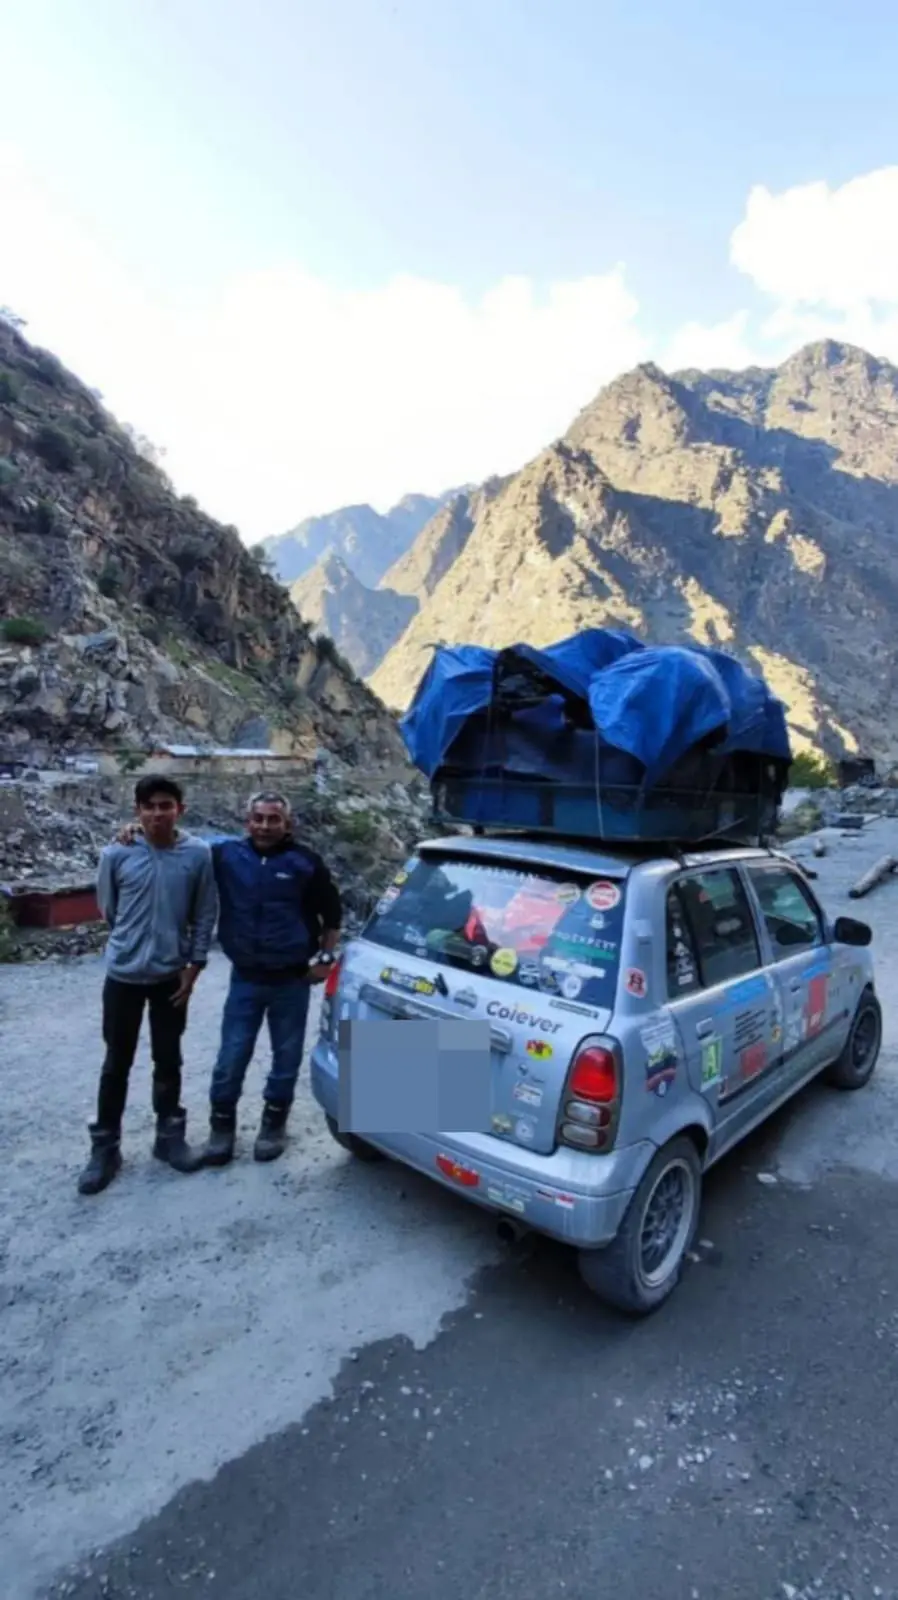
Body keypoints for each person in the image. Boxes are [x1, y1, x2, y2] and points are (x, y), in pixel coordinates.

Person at [116, 790, 342, 1164]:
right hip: (246, 978)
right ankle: (222, 1130)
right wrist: (136, 830)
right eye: (258, 818)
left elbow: (332, 916)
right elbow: (179, 843)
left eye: (274, 819)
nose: (265, 825)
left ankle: (273, 1126)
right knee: (231, 1056)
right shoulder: (225, 855)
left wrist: (326, 959)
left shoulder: (306, 863)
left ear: (288, 824)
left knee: (286, 1057)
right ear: (247, 821)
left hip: (292, 980)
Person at [79, 776, 218, 1196]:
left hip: (169, 978)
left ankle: (169, 1138)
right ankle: (106, 1149)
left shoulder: (197, 855)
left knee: (169, 1058)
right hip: (122, 976)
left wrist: (193, 967)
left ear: (180, 808)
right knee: (115, 1063)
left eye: (165, 805)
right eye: (149, 806)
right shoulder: (117, 853)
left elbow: (205, 912)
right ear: (137, 811)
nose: (157, 813)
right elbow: (110, 911)